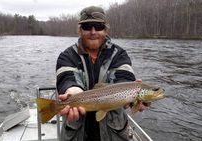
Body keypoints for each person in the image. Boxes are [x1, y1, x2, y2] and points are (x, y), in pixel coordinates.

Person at [56, 6, 149, 141]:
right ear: (80, 30)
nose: (93, 32)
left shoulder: (119, 54)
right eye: (87, 26)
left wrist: (131, 93)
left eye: (98, 26)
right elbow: (67, 78)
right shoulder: (67, 55)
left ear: (106, 29)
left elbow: (123, 78)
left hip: (113, 133)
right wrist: (72, 91)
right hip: (76, 132)